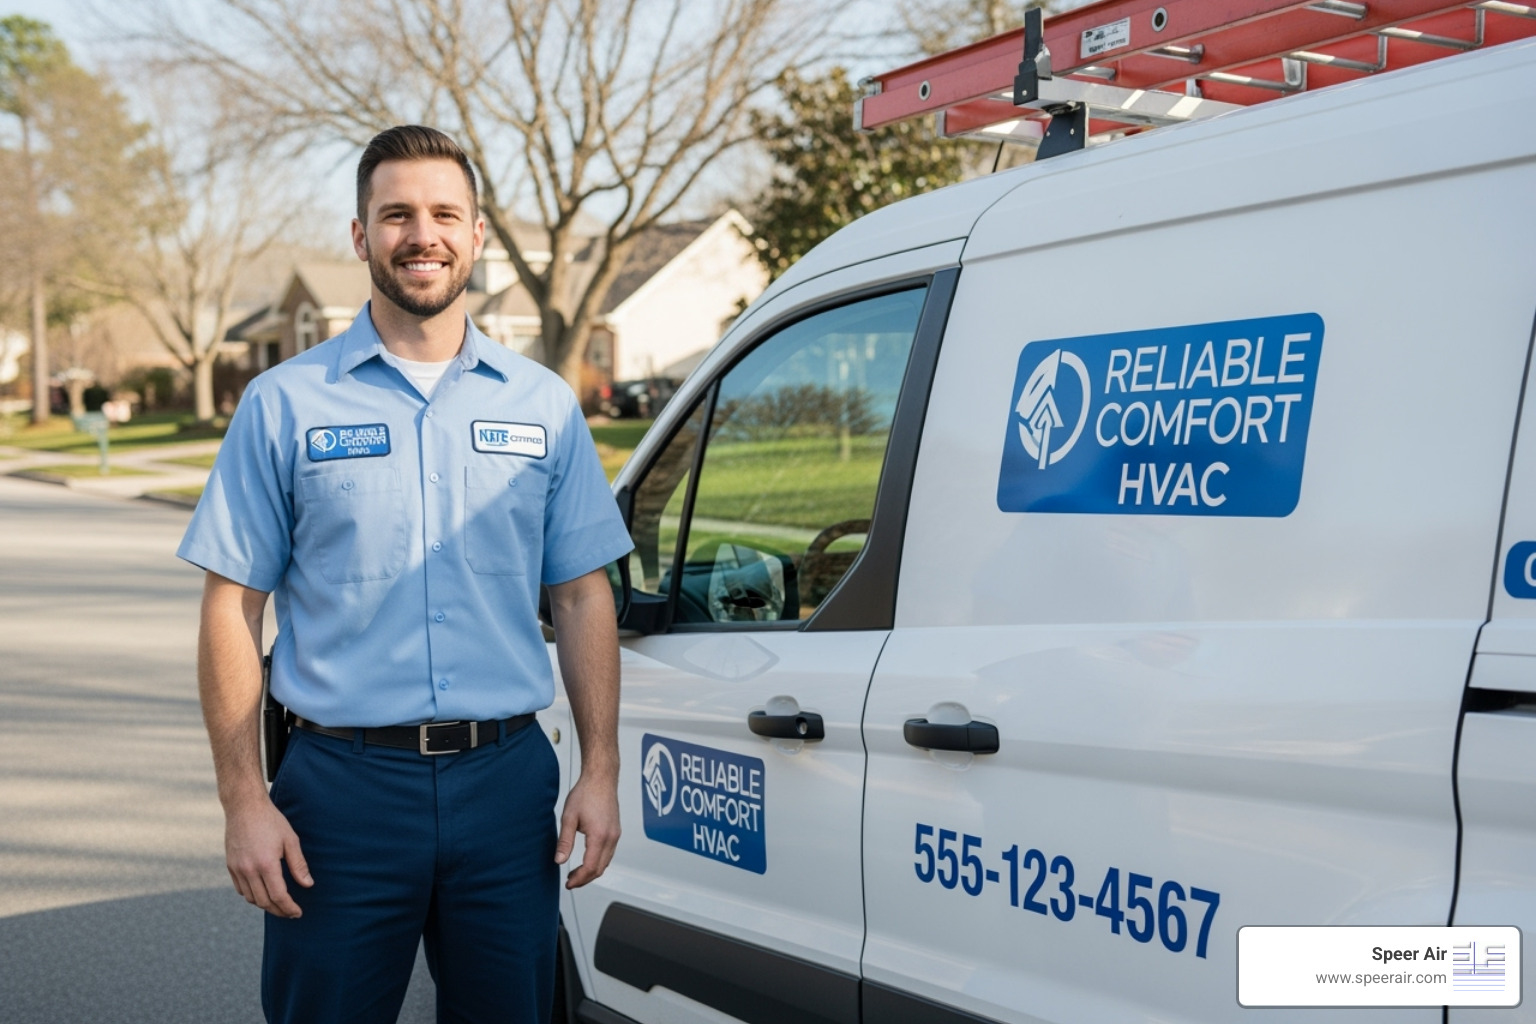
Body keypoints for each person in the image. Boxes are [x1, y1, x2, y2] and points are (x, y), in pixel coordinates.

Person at [178, 125, 633, 1024]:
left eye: (444, 215)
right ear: (361, 236)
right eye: (396, 215)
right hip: (339, 796)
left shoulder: (543, 405)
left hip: (506, 789)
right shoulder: (283, 404)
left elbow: (584, 595)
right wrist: (243, 798)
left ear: (477, 235)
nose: (422, 235)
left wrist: (601, 769)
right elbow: (232, 606)